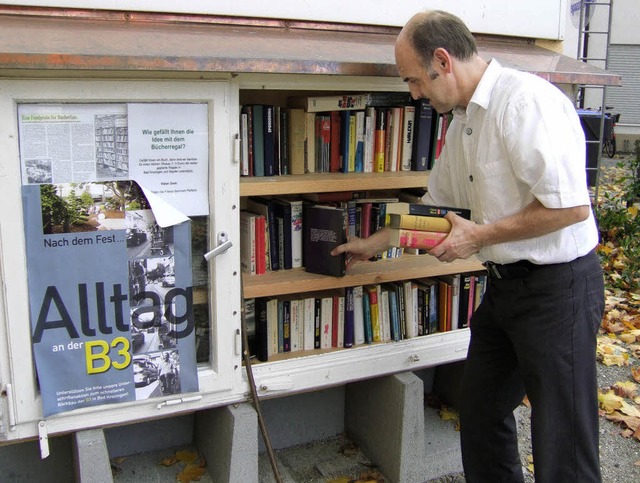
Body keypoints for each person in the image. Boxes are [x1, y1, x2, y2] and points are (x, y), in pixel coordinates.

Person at [331, 10, 605, 483]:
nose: (414, 92)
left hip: (560, 290)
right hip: (504, 291)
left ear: (443, 61)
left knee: (564, 440)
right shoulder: (462, 123)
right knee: (479, 414)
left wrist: (478, 235)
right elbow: (435, 210)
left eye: (415, 80)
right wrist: (374, 244)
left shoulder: (527, 103)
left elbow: (570, 209)